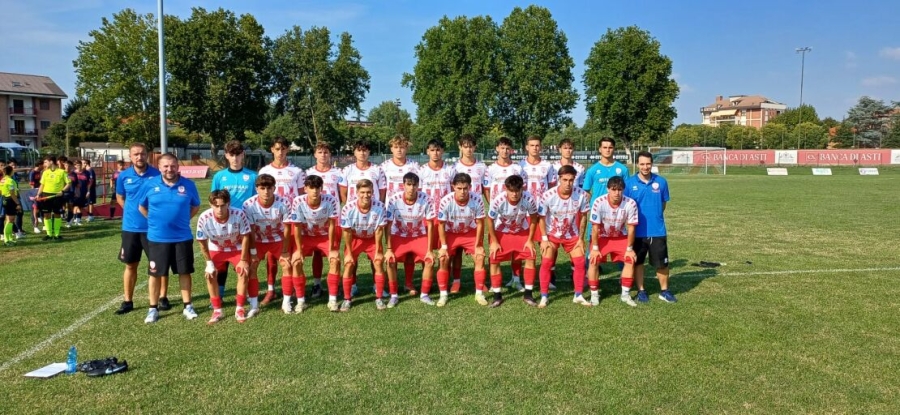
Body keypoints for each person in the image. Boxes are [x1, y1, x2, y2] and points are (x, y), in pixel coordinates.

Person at [137, 153, 202, 324]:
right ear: (159, 167)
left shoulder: (188, 185)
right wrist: (154, 221)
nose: (169, 169)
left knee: (184, 272)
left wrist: (182, 220)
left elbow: (195, 206)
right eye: (165, 166)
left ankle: (188, 306)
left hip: (182, 237)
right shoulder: (149, 184)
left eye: (173, 166)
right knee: (155, 274)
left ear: (178, 167)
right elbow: (142, 207)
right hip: (157, 238)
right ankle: (153, 309)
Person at [113, 143, 162, 315]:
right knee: (130, 265)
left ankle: (162, 298)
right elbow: (120, 196)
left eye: (142, 154)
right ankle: (128, 301)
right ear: (130, 156)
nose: (139, 157)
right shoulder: (123, 176)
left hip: (153, 229)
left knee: (158, 265)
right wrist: (130, 211)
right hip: (131, 228)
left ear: (147, 155)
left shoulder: (157, 174)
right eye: (135, 154)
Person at [258, 137, 306, 305]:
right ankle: (271, 290)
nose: (280, 152)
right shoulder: (265, 170)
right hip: (271, 219)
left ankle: (290, 288)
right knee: (271, 257)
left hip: (291, 219)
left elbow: (301, 196)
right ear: (272, 149)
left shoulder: (297, 171)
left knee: (289, 255)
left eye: (283, 149)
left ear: (287, 150)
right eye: (277, 149)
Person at [625, 151, 676, 303]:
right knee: (638, 262)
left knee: (662, 263)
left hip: (657, 230)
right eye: (642, 164)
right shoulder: (629, 183)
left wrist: (655, 216)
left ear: (652, 164)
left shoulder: (661, 182)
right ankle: (641, 291)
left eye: (648, 164)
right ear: (637, 164)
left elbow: (663, 204)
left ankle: (664, 291)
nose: (645, 167)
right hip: (637, 231)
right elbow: (626, 206)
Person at [210, 140, 258, 300]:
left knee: (245, 261)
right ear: (226, 156)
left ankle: (247, 294)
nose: (235, 158)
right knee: (221, 263)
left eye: (238, 154)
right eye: (232, 155)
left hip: (244, 225)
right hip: (224, 224)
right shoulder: (219, 176)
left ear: (243, 155)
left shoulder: (252, 176)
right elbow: (214, 200)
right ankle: (220, 294)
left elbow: (255, 201)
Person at [536, 165, 590, 308]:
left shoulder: (581, 195)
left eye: (571, 180)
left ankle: (578, 295)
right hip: (552, 235)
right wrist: (544, 239)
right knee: (546, 263)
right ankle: (544, 296)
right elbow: (541, 217)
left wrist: (581, 239)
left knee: (580, 263)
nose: (568, 183)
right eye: (565, 180)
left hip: (572, 235)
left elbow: (584, 217)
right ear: (559, 179)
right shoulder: (548, 195)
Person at [196, 189, 252, 324]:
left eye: (222, 205)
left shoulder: (239, 214)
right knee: (210, 275)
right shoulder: (204, 218)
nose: (219, 209)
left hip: (236, 247)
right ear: (211, 205)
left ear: (228, 203)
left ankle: (239, 308)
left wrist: (243, 260)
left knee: (243, 271)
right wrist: (209, 263)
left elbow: (246, 237)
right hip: (217, 248)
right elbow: (202, 242)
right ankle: (217, 310)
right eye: (216, 206)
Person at [287, 175, 341, 312]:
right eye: (311, 188)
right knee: (296, 262)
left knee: (335, 260)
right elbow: (297, 227)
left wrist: (331, 249)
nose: (315, 191)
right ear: (305, 189)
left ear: (321, 188)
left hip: (325, 236)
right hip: (306, 236)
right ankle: (301, 301)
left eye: (317, 188)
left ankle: (332, 300)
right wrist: (299, 251)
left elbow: (332, 225)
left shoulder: (330, 200)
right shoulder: (298, 201)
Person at [242, 174, 293, 316]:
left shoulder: (284, 202)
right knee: (252, 267)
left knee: (286, 265)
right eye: (262, 188)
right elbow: (251, 230)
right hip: (258, 240)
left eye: (269, 188)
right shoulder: (248, 205)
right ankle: (254, 305)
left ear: (274, 188)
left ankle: (286, 302)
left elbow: (287, 228)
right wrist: (253, 252)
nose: (266, 192)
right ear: (256, 189)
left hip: (278, 238)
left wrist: (285, 250)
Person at [340, 140, 386, 296]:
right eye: (359, 150)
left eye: (365, 150)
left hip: (373, 216)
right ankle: (352, 285)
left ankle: (377, 285)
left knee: (376, 258)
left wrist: (377, 208)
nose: (362, 153)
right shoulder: (347, 170)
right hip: (355, 216)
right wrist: (350, 209)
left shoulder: (377, 170)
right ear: (354, 152)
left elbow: (382, 192)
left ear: (369, 152)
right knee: (351, 258)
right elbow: (343, 193)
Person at [384, 172, 436, 309]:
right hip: (399, 236)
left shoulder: (426, 199)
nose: (411, 188)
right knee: (390, 260)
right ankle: (393, 295)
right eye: (408, 184)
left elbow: (430, 225)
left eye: (414, 185)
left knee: (430, 260)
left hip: (418, 235)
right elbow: (388, 225)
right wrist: (389, 249)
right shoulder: (394, 199)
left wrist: (430, 250)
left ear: (418, 186)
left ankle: (424, 294)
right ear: (403, 185)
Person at [486, 175, 540, 307]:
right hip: (502, 230)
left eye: (517, 190)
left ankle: (528, 294)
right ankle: (497, 296)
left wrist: (530, 240)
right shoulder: (498, 200)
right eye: (511, 191)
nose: (514, 194)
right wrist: (494, 242)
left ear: (522, 189)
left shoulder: (529, 198)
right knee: (494, 258)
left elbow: (534, 219)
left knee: (531, 256)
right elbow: (490, 220)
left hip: (521, 230)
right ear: (506, 189)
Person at [435, 173, 487, 307]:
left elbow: (480, 223)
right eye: (459, 188)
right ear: (453, 187)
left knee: (480, 256)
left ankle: (479, 293)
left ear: (470, 187)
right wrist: (444, 247)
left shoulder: (477, 199)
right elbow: (441, 225)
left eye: (465, 188)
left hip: (469, 232)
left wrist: (478, 244)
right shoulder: (446, 201)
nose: (462, 191)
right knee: (443, 258)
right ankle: (443, 295)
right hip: (451, 233)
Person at [483, 137, 527, 291]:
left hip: (515, 212)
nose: (505, 151)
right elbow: (486, 189)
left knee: (517, 248)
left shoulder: (517, 168)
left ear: (511, 150)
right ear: (497, 149)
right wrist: (494, 206)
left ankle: (516, 279)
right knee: (495, 247)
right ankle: (494, 283)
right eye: (502, 148)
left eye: (508, 148)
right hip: (497, 214)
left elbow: (522, 189)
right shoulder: (490, 169)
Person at [588, 176, 639, 307]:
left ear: (623, 190)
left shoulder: (630, 203)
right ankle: (594, 294)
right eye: (613, 189)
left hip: (620, 236)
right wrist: (595, 248)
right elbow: (595, 228)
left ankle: (625, 294)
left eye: (620, 190)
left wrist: (629, 249)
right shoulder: (599, 202)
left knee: (630, 259)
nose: (617, 193)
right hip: (602, 237)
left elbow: (631, 228)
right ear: (608, 189)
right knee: (593, 260)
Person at [338, 179, 387, 312]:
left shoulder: (380, 207)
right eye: (363, 192)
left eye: (369, 192)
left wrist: (379, 250)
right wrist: (349, 253)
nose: (366, 195)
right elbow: (347, 232)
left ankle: (379, 297)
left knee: (378, 262)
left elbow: (379, 230)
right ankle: (347, 299)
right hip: (355, 238)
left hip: (372, 238)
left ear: (373, 192)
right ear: (357, 193)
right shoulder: (348, 208)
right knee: (349, 264)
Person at [380, 135, 420, 295]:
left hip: (411, 213)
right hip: (392, 214)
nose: (399, 150)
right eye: (396, 147)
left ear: (407, 148)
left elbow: (419, 188)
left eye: (402, 147)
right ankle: (392, 284)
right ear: (391, 148)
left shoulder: (414, 166)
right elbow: (382, 190)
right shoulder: (384, 167)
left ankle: (408, 283)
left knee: (409, 250)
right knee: (392, 250)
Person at [305, 142, 345, 299]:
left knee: (334, 252)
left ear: (330, 154)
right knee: (317, 253)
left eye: (326, 152)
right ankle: (317, 284)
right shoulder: (308, 173)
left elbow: (343, 196)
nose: (323, 155)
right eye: (320, 152)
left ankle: (336, 284)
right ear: (315, 154)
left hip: (333, 220)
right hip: (314, 220)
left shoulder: (338, 172)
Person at [417, 139, 456, 295]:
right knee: (427, 250)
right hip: (427, 217)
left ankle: (444, 280)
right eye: (432, 150)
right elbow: (418, 193)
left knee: (445, 250)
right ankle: (429, 279)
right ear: (427, 151)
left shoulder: (450, 170)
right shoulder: (421, 171)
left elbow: (454, 191)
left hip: (446, 217)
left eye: (438, 150)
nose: (435, 153)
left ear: (443, 151)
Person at [450, 134, 486, 294]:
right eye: (465, 146)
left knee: (478, 250)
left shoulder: (482, 167)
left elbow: (485, 189)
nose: (468, 149)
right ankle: (456, 281)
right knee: (456, 252)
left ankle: (480, 282)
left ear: (475, 147)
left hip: (475, 214)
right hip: (457, 213)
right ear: (460, 147)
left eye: (471, 146)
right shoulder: (454, 167)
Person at [36, 155, 70, 240]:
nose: (44, 164)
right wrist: (38, 194)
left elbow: (69, 183)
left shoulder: (62, 172)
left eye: (45, 162)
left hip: (57, 196)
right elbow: (42, 185)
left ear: (51, 162)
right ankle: (49, 234)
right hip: (46, 195)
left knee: (57, 214)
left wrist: (62, 191)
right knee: (46, 214)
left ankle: (57, 234)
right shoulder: (45, 172)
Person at [1, 166, 22, 246]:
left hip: (5, 199)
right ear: (11, 171)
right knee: (10, 220)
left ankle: (10, 238)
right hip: (10, 200)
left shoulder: (2, 180)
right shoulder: (10, 181)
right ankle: (7, 240)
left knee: (9, 220)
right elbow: (12, 193)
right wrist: (17, 203)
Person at [70, 159, 89, 226]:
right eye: (77, 165)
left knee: (81, 206)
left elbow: (89, 183)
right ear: (75, 166)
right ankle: (74, 219)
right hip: (75, 192)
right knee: (75, 206)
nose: (79, 166)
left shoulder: (86, 173)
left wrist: (88, 191)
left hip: (83, 191)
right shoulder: (73, 173)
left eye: (80, 165)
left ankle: (78, 220)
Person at [28, 163, 43, 233]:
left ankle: (42, 221)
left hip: (40, 191)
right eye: (42, 165)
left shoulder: (39, 172)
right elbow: (31, 183)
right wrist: (34, 192)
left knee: (40, 207)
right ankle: (35, 226)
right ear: (39, 165)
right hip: (35, 192)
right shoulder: (32, 173)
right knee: (35, 208)